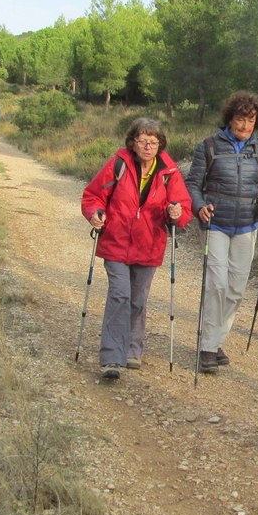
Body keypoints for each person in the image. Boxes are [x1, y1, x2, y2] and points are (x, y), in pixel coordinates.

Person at [185, 91, 258, 373]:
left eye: (250, 120)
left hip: (247, 225)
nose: (244, 126)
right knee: (217, 284)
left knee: (235, 290)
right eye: (240, 119)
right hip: (215, 223)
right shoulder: (207, 146)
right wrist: (199, 206)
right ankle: (207, 348)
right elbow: (193, 184)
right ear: (230, 118)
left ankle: (216, 340)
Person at [81, 118, 193, 380]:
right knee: (120, 295)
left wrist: (176, 212)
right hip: (116, 242)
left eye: (153, 142)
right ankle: (112, 357)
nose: (148, 146)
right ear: (132, 142)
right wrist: (95, 213)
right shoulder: (118, 164)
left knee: (138, 299)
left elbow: (183, 208)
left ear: (160, 145)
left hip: (149, 245)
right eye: (142, 141)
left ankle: (133, 349)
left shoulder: (169, 171)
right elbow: (93, 196)